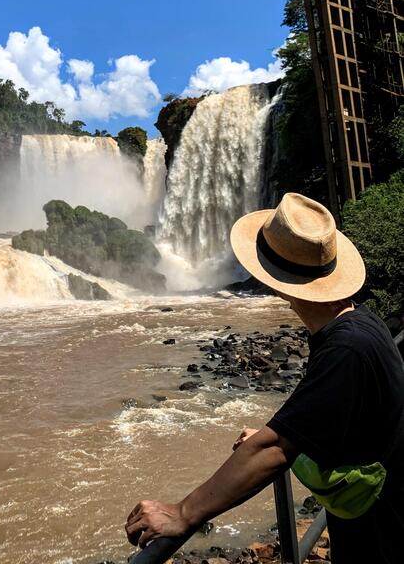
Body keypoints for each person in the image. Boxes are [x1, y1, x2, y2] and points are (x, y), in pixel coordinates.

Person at [125, 192, 404, 564]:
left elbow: (273, 450)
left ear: (275, 281)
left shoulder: (345, 350)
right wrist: (277, 434)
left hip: (379, 531)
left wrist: (182, 513)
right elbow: (326, 421)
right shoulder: (361, 322)